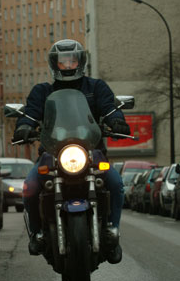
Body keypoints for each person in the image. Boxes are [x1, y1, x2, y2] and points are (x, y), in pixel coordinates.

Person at [13, 39, 131, 264]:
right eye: (62, 61)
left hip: (92, 152)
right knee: (30, 186)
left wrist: (117, 121)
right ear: (54, 64)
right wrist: (24, 127)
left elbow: (109, 107)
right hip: (52, 152)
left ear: (80, 61)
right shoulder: (43, 91)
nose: (67, 65)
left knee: (115, 183)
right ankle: (37, 234)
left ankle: (112, 232)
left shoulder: (96, 88)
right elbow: (30, 113)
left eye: (72, 60)